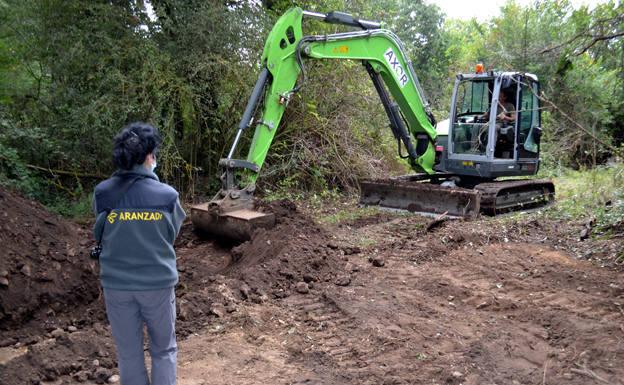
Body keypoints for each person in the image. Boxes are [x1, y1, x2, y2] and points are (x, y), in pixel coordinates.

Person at [92, 122, 186, 385]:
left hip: (117, 286)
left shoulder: (103, 193)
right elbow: (171, 234)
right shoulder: (168, 196)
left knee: (129, 353)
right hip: (157, 284)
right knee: (164, 349)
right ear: (148, 157)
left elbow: (100, 231)